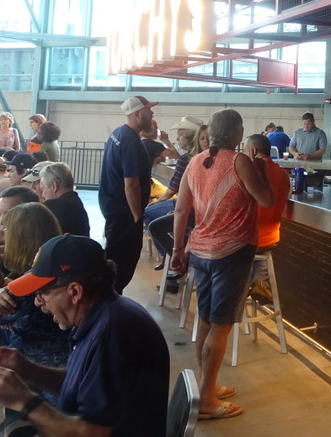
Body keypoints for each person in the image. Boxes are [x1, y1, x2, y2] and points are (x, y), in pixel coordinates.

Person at [0, 235, 169, 437]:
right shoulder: (102, 315)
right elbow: (79, 387)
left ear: (75, 292)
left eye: (42, 293)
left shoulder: (112, 333)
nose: (37, 303)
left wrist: (23, 401)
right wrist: (26, 368)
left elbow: (93, 433)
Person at [172, 109, 273, 419]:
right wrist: (261, 169)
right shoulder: (239, 161)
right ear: (238, 133)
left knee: (204, 319)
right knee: (221, 323)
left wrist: (178, 249)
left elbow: (180, 210)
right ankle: (205, 402)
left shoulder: (195, 162)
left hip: (200, 251)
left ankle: (207, 386)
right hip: (232, 251)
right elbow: (267, 199)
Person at [0, 203, 72, 369]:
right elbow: (4, 286)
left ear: (19, 238)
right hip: (60, 357)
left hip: (35, 369)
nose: (2, 236)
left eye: (6, 232)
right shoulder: (53, 263)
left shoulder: (32, 286)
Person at [99, 95, 157, 293]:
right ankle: (110, 299)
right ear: (138, 114)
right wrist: (137, 217)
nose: (152, 114)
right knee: (123, 259)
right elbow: (131, 184)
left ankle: (109, 296)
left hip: (112, 206)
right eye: (149, 110)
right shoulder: (132, 142)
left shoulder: (118, 133)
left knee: (114, 255)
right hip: (124, 212)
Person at [145, 119, 206, 258]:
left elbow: (173, 188)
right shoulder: (206, 157)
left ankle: (171, 255)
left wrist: (158, 201)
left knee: (148, 214)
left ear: (190, 138)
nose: (177, 138)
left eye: (180, 135)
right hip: (199, 208)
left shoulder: (186, 159)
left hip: (187, 207)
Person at [243, 133, 292, 301]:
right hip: (271, 239)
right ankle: (258, 282)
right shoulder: (283, 174)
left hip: (247, 240)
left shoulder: (249, 172)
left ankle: (240, 292)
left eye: (244, 149)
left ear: (254, 150)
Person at [39, 162, 91, 237]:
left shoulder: (53, 206)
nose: (43, 195)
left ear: (54, 185)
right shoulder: (77, 203)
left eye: (43, 189)